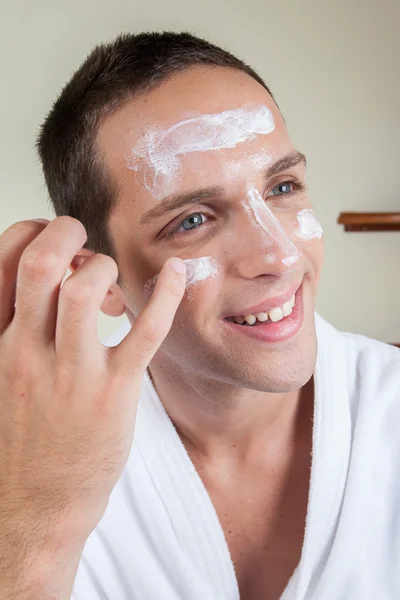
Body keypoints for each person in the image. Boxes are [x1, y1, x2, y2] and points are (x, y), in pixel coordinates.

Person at [0, 31, 399, 600]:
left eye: (283, 186)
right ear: (104, 281)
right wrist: (36, 527)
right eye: (193, 220)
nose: (279, 255)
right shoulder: (26, 461)